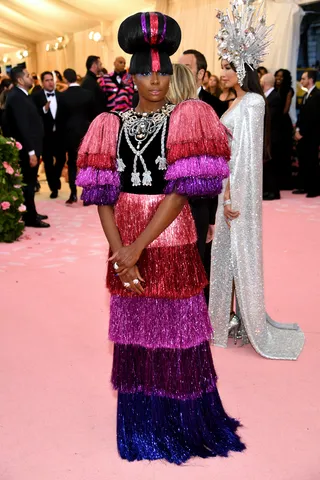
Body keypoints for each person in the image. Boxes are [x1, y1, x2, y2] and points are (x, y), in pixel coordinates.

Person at [76, 11, 244, 464]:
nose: (155, 80)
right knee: (135, 331)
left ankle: (184, 424)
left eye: (163, 72)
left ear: (173, 75)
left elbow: (180, 193)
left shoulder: (189, 117)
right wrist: (119, 253)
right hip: (125, 234)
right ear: (130, 76)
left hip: (168, 234)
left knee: (178, 328)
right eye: (146, 72)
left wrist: (135, 248)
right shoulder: (108, 125)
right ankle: (141, 426)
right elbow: (102, 194)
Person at [209, 2, 305, 360]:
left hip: (235, 192)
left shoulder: (251, 103)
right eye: (221, 66)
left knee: (237, 255)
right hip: (224, 188)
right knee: (224, 258)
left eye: (227, 66)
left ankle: (242, 319)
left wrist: (233, 196)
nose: (222, 72)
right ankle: (226, 319)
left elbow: (245, 158)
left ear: (242, 67)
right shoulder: (234, 102)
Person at [179, 49, 226, 302]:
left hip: (200, 200)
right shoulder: (167, 105)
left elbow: (216, 164)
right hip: (169, 200)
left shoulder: (214, 106)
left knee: (199, 260)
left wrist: (212, 212)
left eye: (186, 68)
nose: (179, 74)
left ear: (201, 74)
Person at [4, 67, 49, 228]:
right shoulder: (16, 97)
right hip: (27, 149)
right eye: (29, 76)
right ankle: (30, 217)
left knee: (31, 182)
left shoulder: (22, 95)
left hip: (32, 146)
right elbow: (22, 127)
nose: (32, 78)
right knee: (29, 184)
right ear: (21, 80)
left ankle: (32, 212)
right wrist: (31, 151)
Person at [60, 68, 95, 204]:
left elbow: (61, 118)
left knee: (72, 163)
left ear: (65, 79)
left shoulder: (62, 96)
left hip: (69, 133)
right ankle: (86, 195)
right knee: (86, 164)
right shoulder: (88, 94)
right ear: (76, 77)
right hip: (85, 132)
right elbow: (93, 115)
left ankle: (73, 193)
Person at [32, 71, 66, 199]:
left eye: (51, 79)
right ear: (42, 82)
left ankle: (55, 178)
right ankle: (53, 188)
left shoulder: (60, 96)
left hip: (59, 135)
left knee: (62, 159)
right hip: (45, 136)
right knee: (47, 162)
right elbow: (34, 115)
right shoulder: (36, 97)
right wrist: (44, 110)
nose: (50, 82)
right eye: (47, 80)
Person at [294, 70, 320, 198]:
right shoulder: (306, 95)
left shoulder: (317, 95)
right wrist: (297, 129)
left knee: (312, 161)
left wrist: (302, 132)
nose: (301, 81)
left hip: (311, 135)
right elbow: (302, 116)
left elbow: (314, 118)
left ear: (310, 80)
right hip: (304, 134)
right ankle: (304, 186)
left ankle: (313, 189)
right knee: (304, 161)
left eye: (303, 79)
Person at [260, 73, 282, 200]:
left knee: (271, 165)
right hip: (268, 136)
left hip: (273, 137)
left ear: (265, 83)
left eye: (261, 81)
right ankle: (269, 190)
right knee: (267, 165)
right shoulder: (269, 96)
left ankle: (274, 192)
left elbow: (270, 118)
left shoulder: (275, 97)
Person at [274, 68, 294, 190]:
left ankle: (285, 182)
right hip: (274, 123)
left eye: (281, 76)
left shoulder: (289, 90)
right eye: (277, 76)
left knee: (284, 153)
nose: (279, 78)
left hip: (283, 123)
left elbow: (286, 109)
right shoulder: (273, 89)